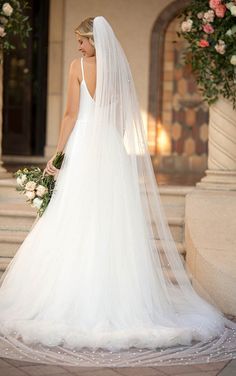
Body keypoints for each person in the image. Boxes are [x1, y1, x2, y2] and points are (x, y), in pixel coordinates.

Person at [0, 16, 235, 367]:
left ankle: (76, 294)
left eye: (82, 40)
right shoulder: (119, 70)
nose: (79, 46)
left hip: (82, 147)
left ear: (95, 41)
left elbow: (69, 114)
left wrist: (59, 154)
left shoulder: (77, 67)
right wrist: (110, 145)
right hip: (109, 149)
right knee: (109, 220)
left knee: (76, 218)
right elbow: (124, 119)